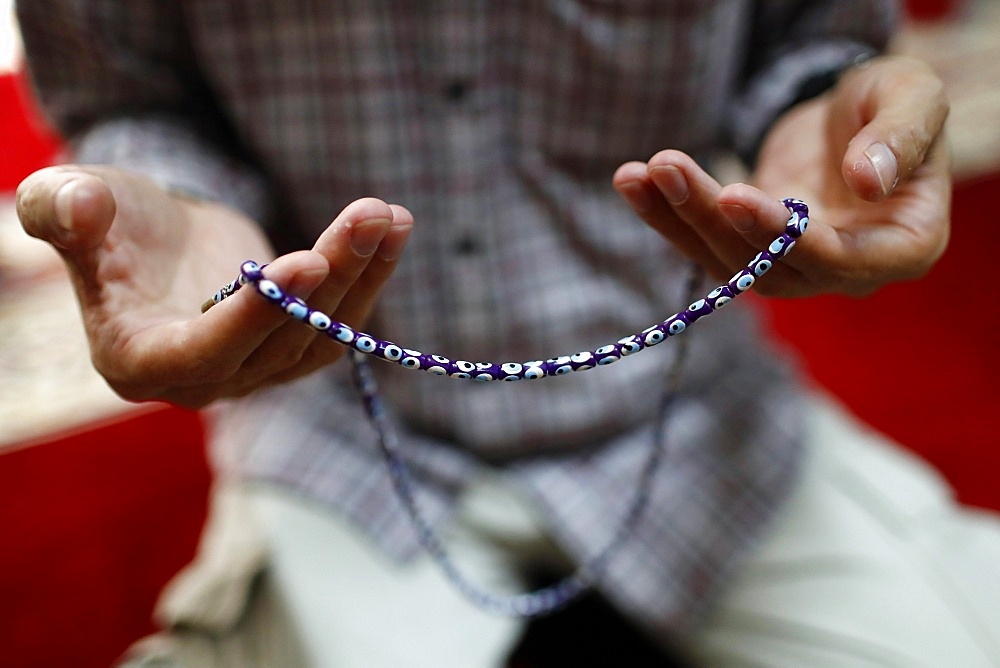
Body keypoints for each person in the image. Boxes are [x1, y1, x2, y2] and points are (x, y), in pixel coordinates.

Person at [14, 1, 1000, 666]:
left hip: (694, 404)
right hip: (341, 429)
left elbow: (809, 29)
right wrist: (180, 201)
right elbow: (129, 88)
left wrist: (819, 105)